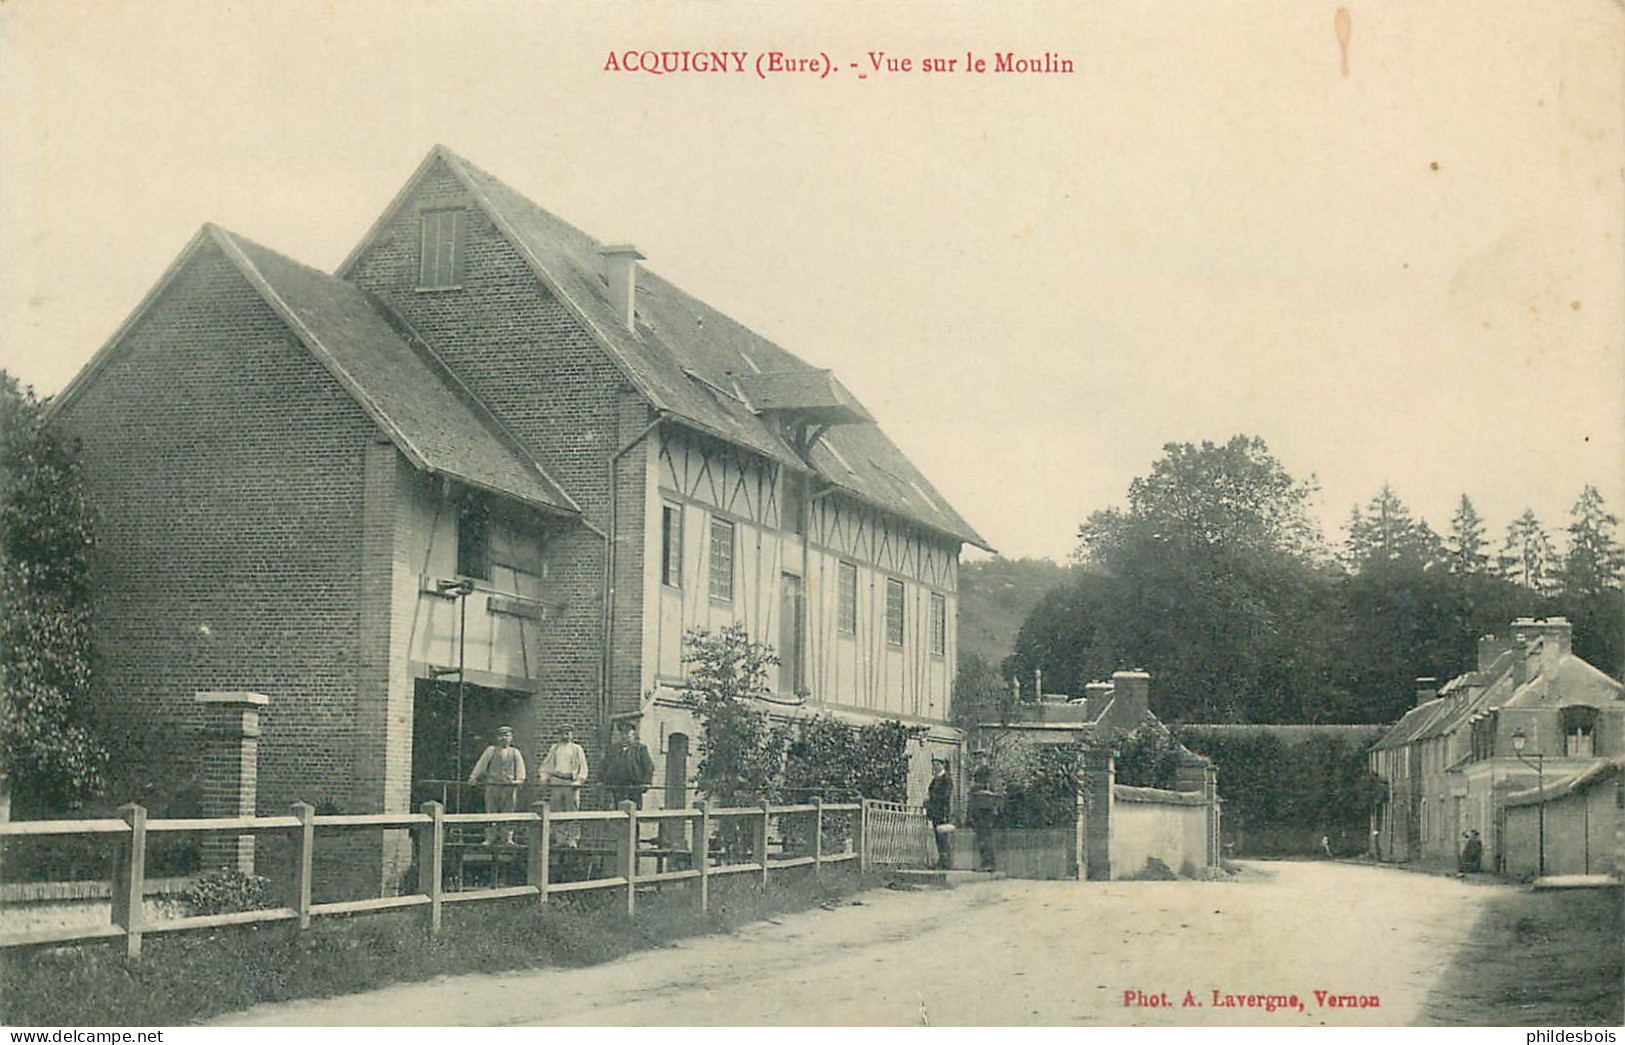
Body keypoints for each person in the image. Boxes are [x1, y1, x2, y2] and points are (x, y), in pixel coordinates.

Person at [468, 725, 526, 845]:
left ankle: (507, 837)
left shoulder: (515, 752)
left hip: (509, 787)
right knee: (491, 811)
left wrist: (518, 780)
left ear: (511, 738)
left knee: (508, 812)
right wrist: (473, 777)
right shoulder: (491, 750)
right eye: (501, 736)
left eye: (507, 735)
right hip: (493, 785)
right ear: (497, 738)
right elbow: (481, 765)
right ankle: (490, 837)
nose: (504, 738)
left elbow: (520, 770)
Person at [536, 725, 589, 847]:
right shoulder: (554, 749)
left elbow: (583, 767)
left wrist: (579, 780)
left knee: (572, 811)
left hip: (571, 783)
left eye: (568, 733)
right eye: (563, 733)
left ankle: (572, 839)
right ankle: (560, 838)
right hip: (557, 782)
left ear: (572, 735)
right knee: (557, 811)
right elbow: (546, 765)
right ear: (559, 735)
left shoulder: (577, 749)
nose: (565, 736)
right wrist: (544, 778)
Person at [602, 719, 654, 808]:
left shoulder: (640, 749)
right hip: (618, 786)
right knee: (618, 808)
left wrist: (646, 782)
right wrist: (604, 780)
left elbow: (648, 767)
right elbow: (605, 765)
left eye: (627, 733)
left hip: (634, 787)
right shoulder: (613, 749)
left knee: (634, 809)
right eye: (622, 733)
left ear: (633, 734)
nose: (625, 736)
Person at [967, 750, 998, 872]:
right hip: (978, 805)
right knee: (981, 836)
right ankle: (984, 863)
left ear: (985, 759)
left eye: (980, 758)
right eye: (977, 759)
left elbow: (990, 787)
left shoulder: (989, 771)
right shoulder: (976, 772)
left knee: (985, 835)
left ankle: (989, 863)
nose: (978, 761)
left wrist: (974, 786)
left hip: (986, 806)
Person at [926, 758, 954, 869]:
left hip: (943, 811)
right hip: (935, 812)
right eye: (933, 765)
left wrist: (932, 797)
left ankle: (946, 862)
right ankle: (941, 861)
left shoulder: (946, 779)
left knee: (943, 837)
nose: (935, 767)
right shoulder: (935, 780)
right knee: (938, 837)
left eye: (937, 764)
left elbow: (946, 796)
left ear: (942, 765)